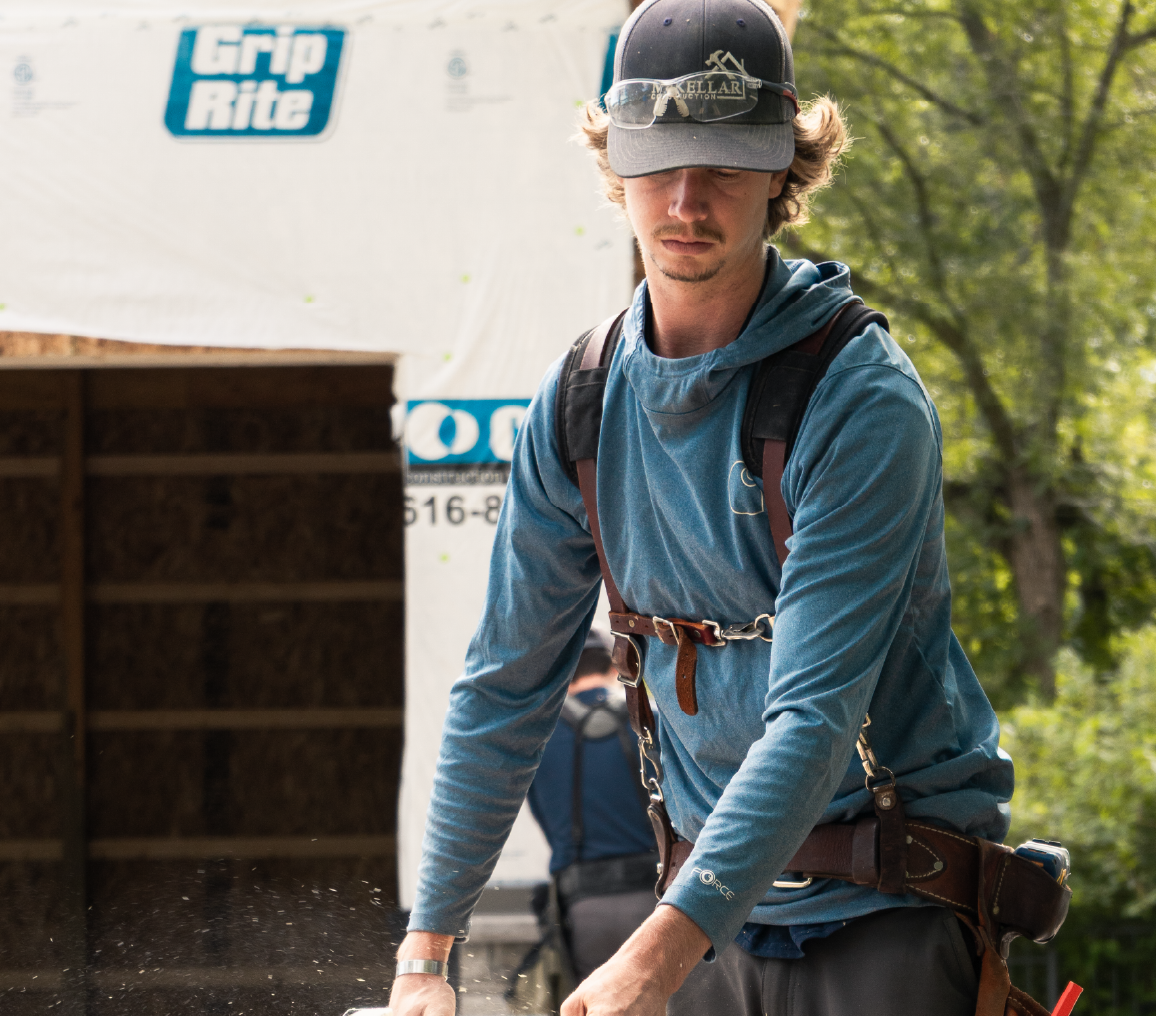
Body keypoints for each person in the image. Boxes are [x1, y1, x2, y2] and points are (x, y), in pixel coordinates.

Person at [390, 1, 1025, 1014]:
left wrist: (651, 958)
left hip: (881, 914)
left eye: (725, 163)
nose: (686, 199)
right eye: (660, 160)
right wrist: (426, 957)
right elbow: (502, 689)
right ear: (616, 167)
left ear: (783, 168)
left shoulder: (859, 400)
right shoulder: (580, 400)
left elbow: (812, 721)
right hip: (696, 915)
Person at [526, 629, 658, 984]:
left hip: (582, 909)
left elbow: (543, 814)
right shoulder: (649, 720)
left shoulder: (539, 738)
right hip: (660, 907)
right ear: (614, 663)